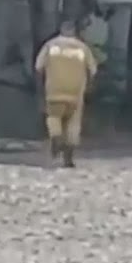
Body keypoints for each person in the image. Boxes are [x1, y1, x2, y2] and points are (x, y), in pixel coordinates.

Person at [34, 20, 98, 168]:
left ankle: (56, 137)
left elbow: (38, 68)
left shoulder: (50, 45)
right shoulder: (82, 48)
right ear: (74, 31)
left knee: (54, 117)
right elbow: (93, 71)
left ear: (61, 30)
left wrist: (40, 90)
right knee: (73, 124)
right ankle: (68, 159)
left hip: (54, 90)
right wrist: (89, 88)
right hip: (76, 92)